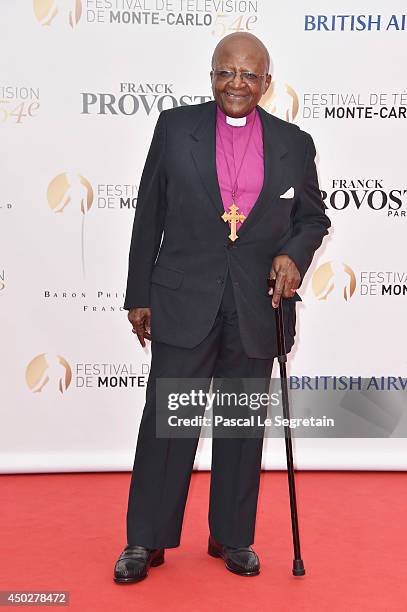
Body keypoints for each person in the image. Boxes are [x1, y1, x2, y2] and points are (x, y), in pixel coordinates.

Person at [114, 32, 331, 583]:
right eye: (226, 73)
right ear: (211, 75)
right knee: (169, 423)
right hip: (184, 298)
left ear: (267, 82)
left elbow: (312, 219)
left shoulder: (293, 142)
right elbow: (149, 214)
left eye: (249, 75)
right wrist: (138, 293)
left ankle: (231, 537)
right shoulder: (175, 127)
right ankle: (146, 540)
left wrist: (292, 256)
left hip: (256, 304)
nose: (237, 84)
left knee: (239, 425)